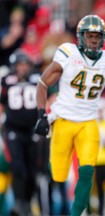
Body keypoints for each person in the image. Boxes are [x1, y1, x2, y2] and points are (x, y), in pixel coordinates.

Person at [34, 15, 105, 216]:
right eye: (90, 36)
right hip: (64, 119)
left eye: (97, 36)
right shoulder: (68, 53)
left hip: (89, 122)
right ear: (80, 37)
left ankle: (75, 214)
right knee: (57, 174)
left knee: (87, 170)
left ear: (103, 38)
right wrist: (41, 114)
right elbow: (42, 83)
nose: (93, 40)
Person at [0, 49, 42, 215]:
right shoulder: (6, 81)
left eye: (25, 64)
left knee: (32, 171)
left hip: (33, 130)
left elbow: (48, 97)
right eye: (20, 65)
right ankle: (19, 204)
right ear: (13, 66)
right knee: (18, 167)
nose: (23, 68)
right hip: (13, 130)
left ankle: (26, 202)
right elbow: (1, 103)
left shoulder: (37, 78)